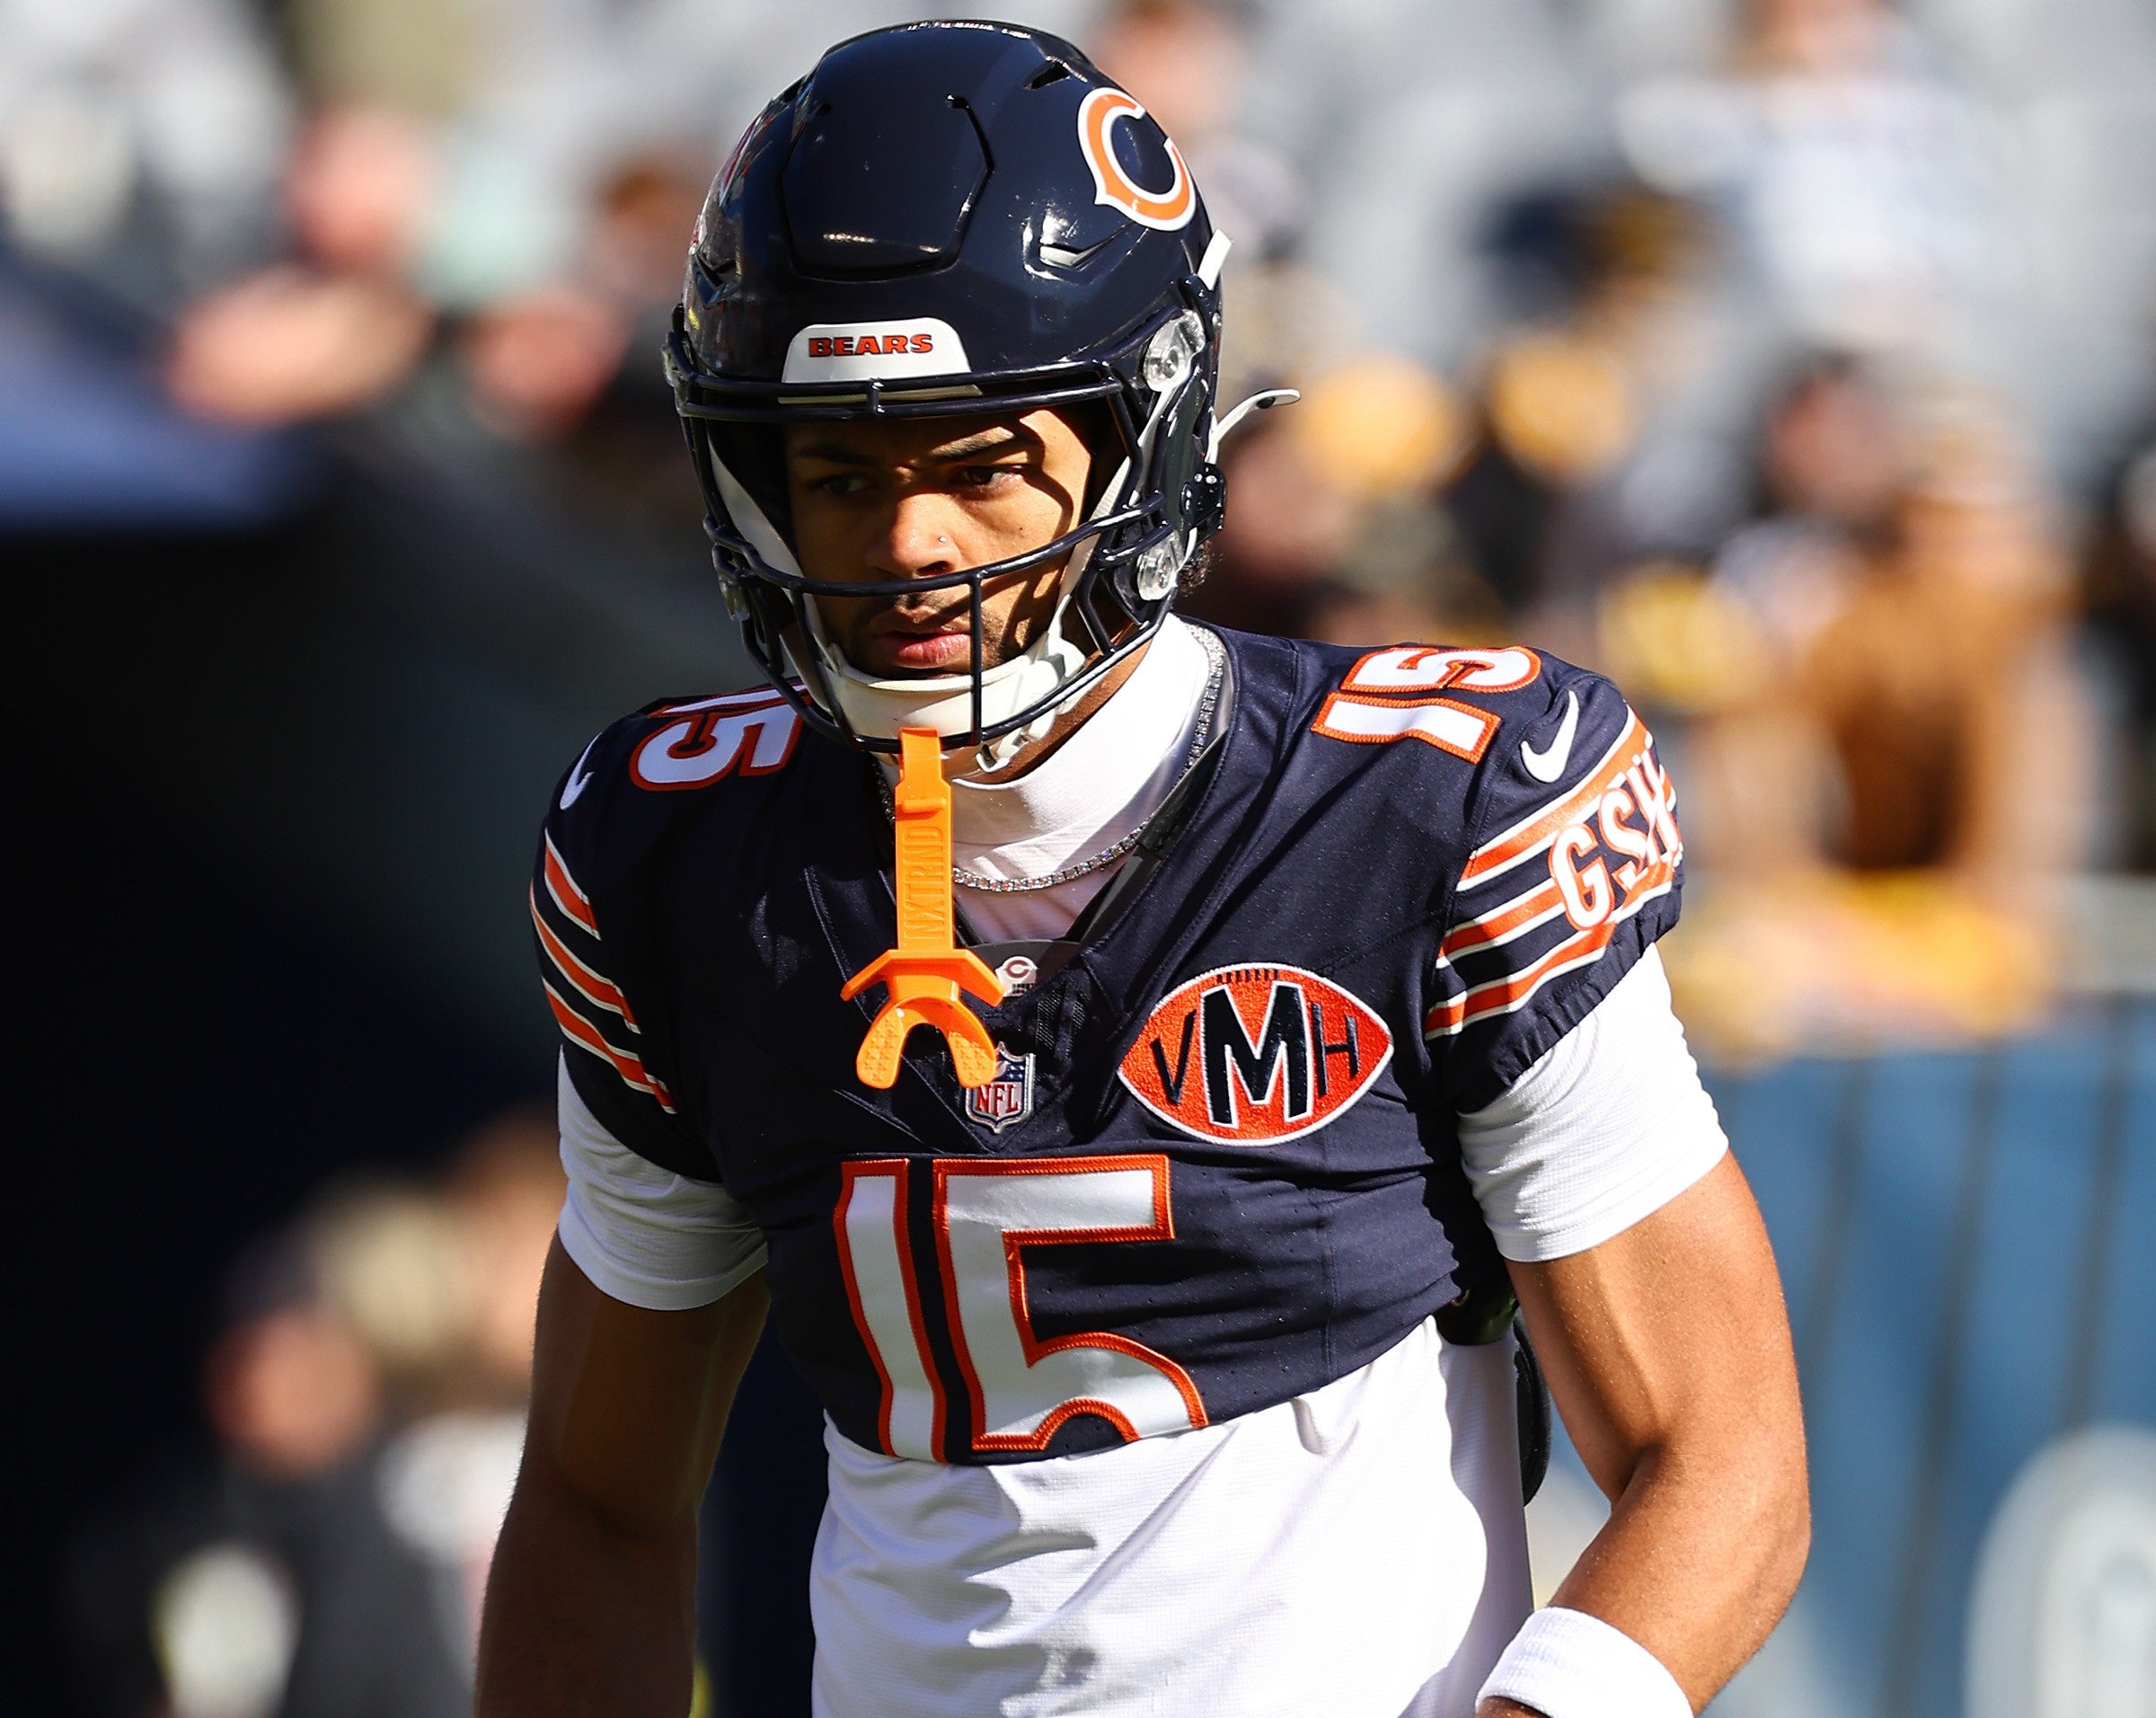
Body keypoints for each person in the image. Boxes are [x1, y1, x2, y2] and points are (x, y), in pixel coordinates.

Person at [476, 22, 1807, 1718]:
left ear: (1140, 440)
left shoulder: (1426, 810)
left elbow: (1723, 1460)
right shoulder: (684, 857)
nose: (910, 544)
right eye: (840, 473)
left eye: (980, 465)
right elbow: (595, 1504)